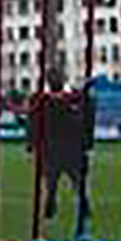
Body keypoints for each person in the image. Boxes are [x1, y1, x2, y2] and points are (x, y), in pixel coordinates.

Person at [29, 62, 94, 220]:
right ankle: (51, 208)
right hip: (53, 148)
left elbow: (88, 119)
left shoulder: (76, 97)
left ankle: (83, 208)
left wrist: (87, 143)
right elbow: (33, 123)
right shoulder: (40, 99)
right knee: (53, 182)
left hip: (70, 147)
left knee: (77, 181)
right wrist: (32, 144)